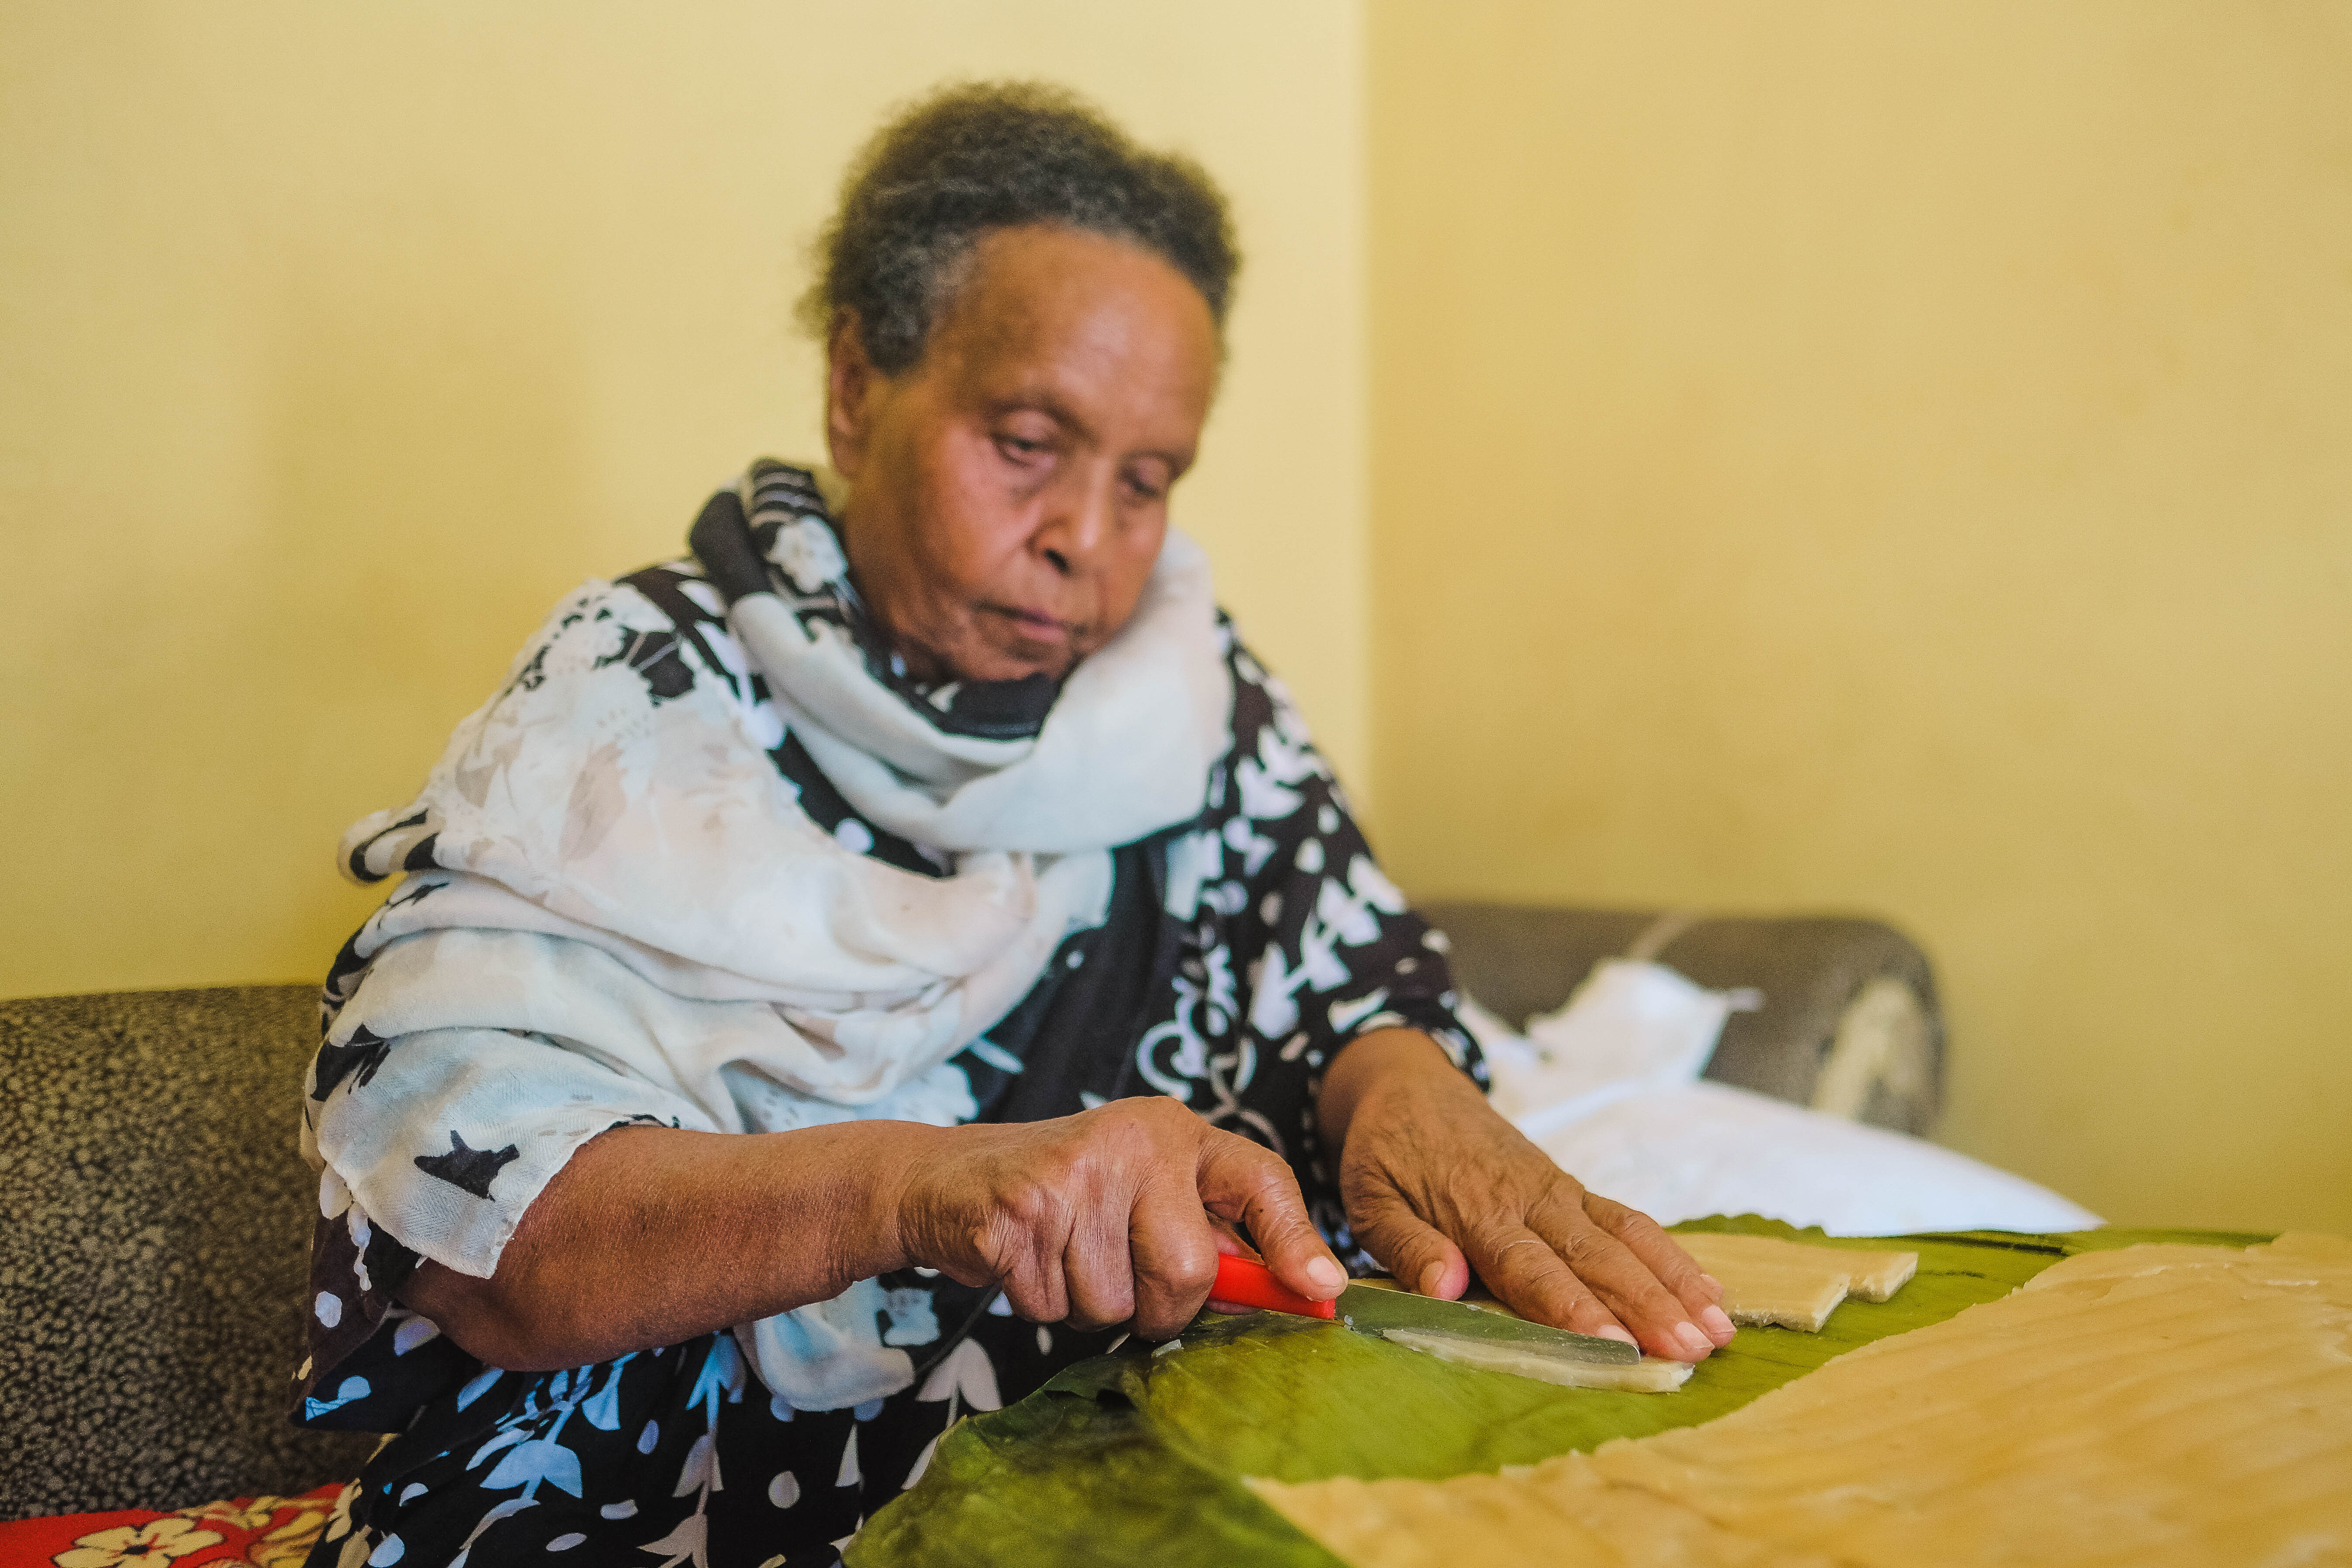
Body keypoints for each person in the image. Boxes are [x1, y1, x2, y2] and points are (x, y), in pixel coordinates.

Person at [293, 81, 1734, 1568]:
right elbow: (484, 1237)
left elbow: (1344, 983)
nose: (1084, 543)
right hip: (668, 1491)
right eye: (1028, 442)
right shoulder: (649, 686)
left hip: (1127, 1466)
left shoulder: (1183, 697)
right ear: (858, 388)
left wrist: (1409, 1097)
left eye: (1146, 482)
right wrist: (930, 1183)